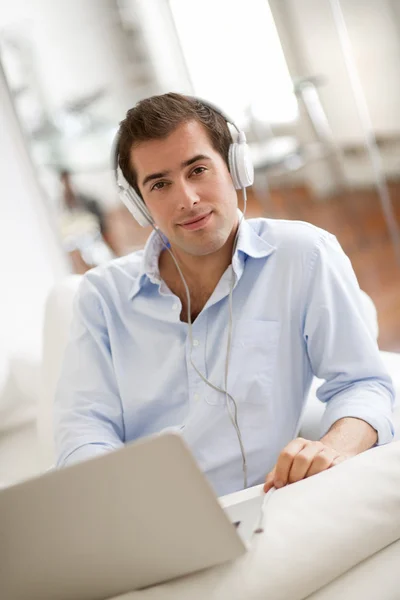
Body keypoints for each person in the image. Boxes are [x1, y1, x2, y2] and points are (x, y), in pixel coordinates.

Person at [54, 93, 394, 497]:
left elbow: (363, 383)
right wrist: (118, 504)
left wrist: (331, 449)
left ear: (236, 167)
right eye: (159, 184)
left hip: (262, 503)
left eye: (197, 169)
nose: (187, 199)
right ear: (140, 204)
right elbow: (84, 428)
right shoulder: (102, 295)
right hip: (144, 512)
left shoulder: (304, 255)